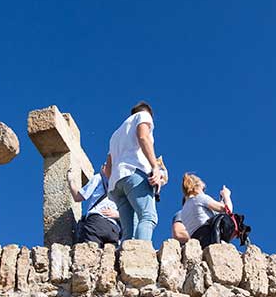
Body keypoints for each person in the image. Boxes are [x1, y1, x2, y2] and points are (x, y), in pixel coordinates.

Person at [103, 102, 167, 245]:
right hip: (134, 173)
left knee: (129, 231)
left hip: (116, 183)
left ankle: (125, 259)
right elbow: (143, 137)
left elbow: (107, 170)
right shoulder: (144, 116)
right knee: (148, 216)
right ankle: (142, 255)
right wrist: (155, 167)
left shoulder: (115, 135)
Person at [174, 174, 234, 247]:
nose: (204, 192)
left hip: (197, 241)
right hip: (210, 236)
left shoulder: (183, 211)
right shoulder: (200, 198)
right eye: (203, 189)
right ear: (197, 187)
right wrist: (226, 195)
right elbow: (228, 210)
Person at [72, 165, 122, 246]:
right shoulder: (121, 187)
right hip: (114, 230)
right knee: (109, 256)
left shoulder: (99, 178)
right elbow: (131, 212)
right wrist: (118, 214)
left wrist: (71, 181)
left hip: (96, 223)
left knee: (89, 253)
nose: (102, 167)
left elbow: (78, 197)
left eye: (105, 165)